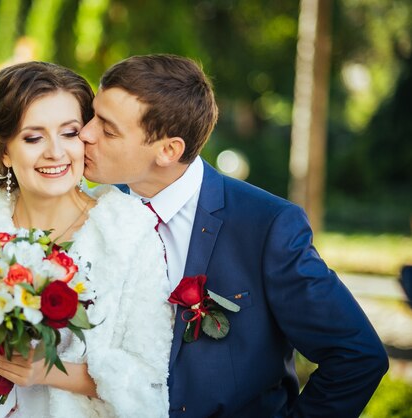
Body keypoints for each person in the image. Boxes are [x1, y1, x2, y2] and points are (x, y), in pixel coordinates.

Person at [79, 54, 389, 418]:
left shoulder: (267, 227)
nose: (85, 133)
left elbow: (357, 355)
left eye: (107, 128)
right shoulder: (96, 212)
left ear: (168, 150)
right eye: (92, 116)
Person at [0, 61, 173, 418]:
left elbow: (148, 375)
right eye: (33, 137)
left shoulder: (127, 230)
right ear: (5, 152)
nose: (55, 152)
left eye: (69, 133)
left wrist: (49, 370)